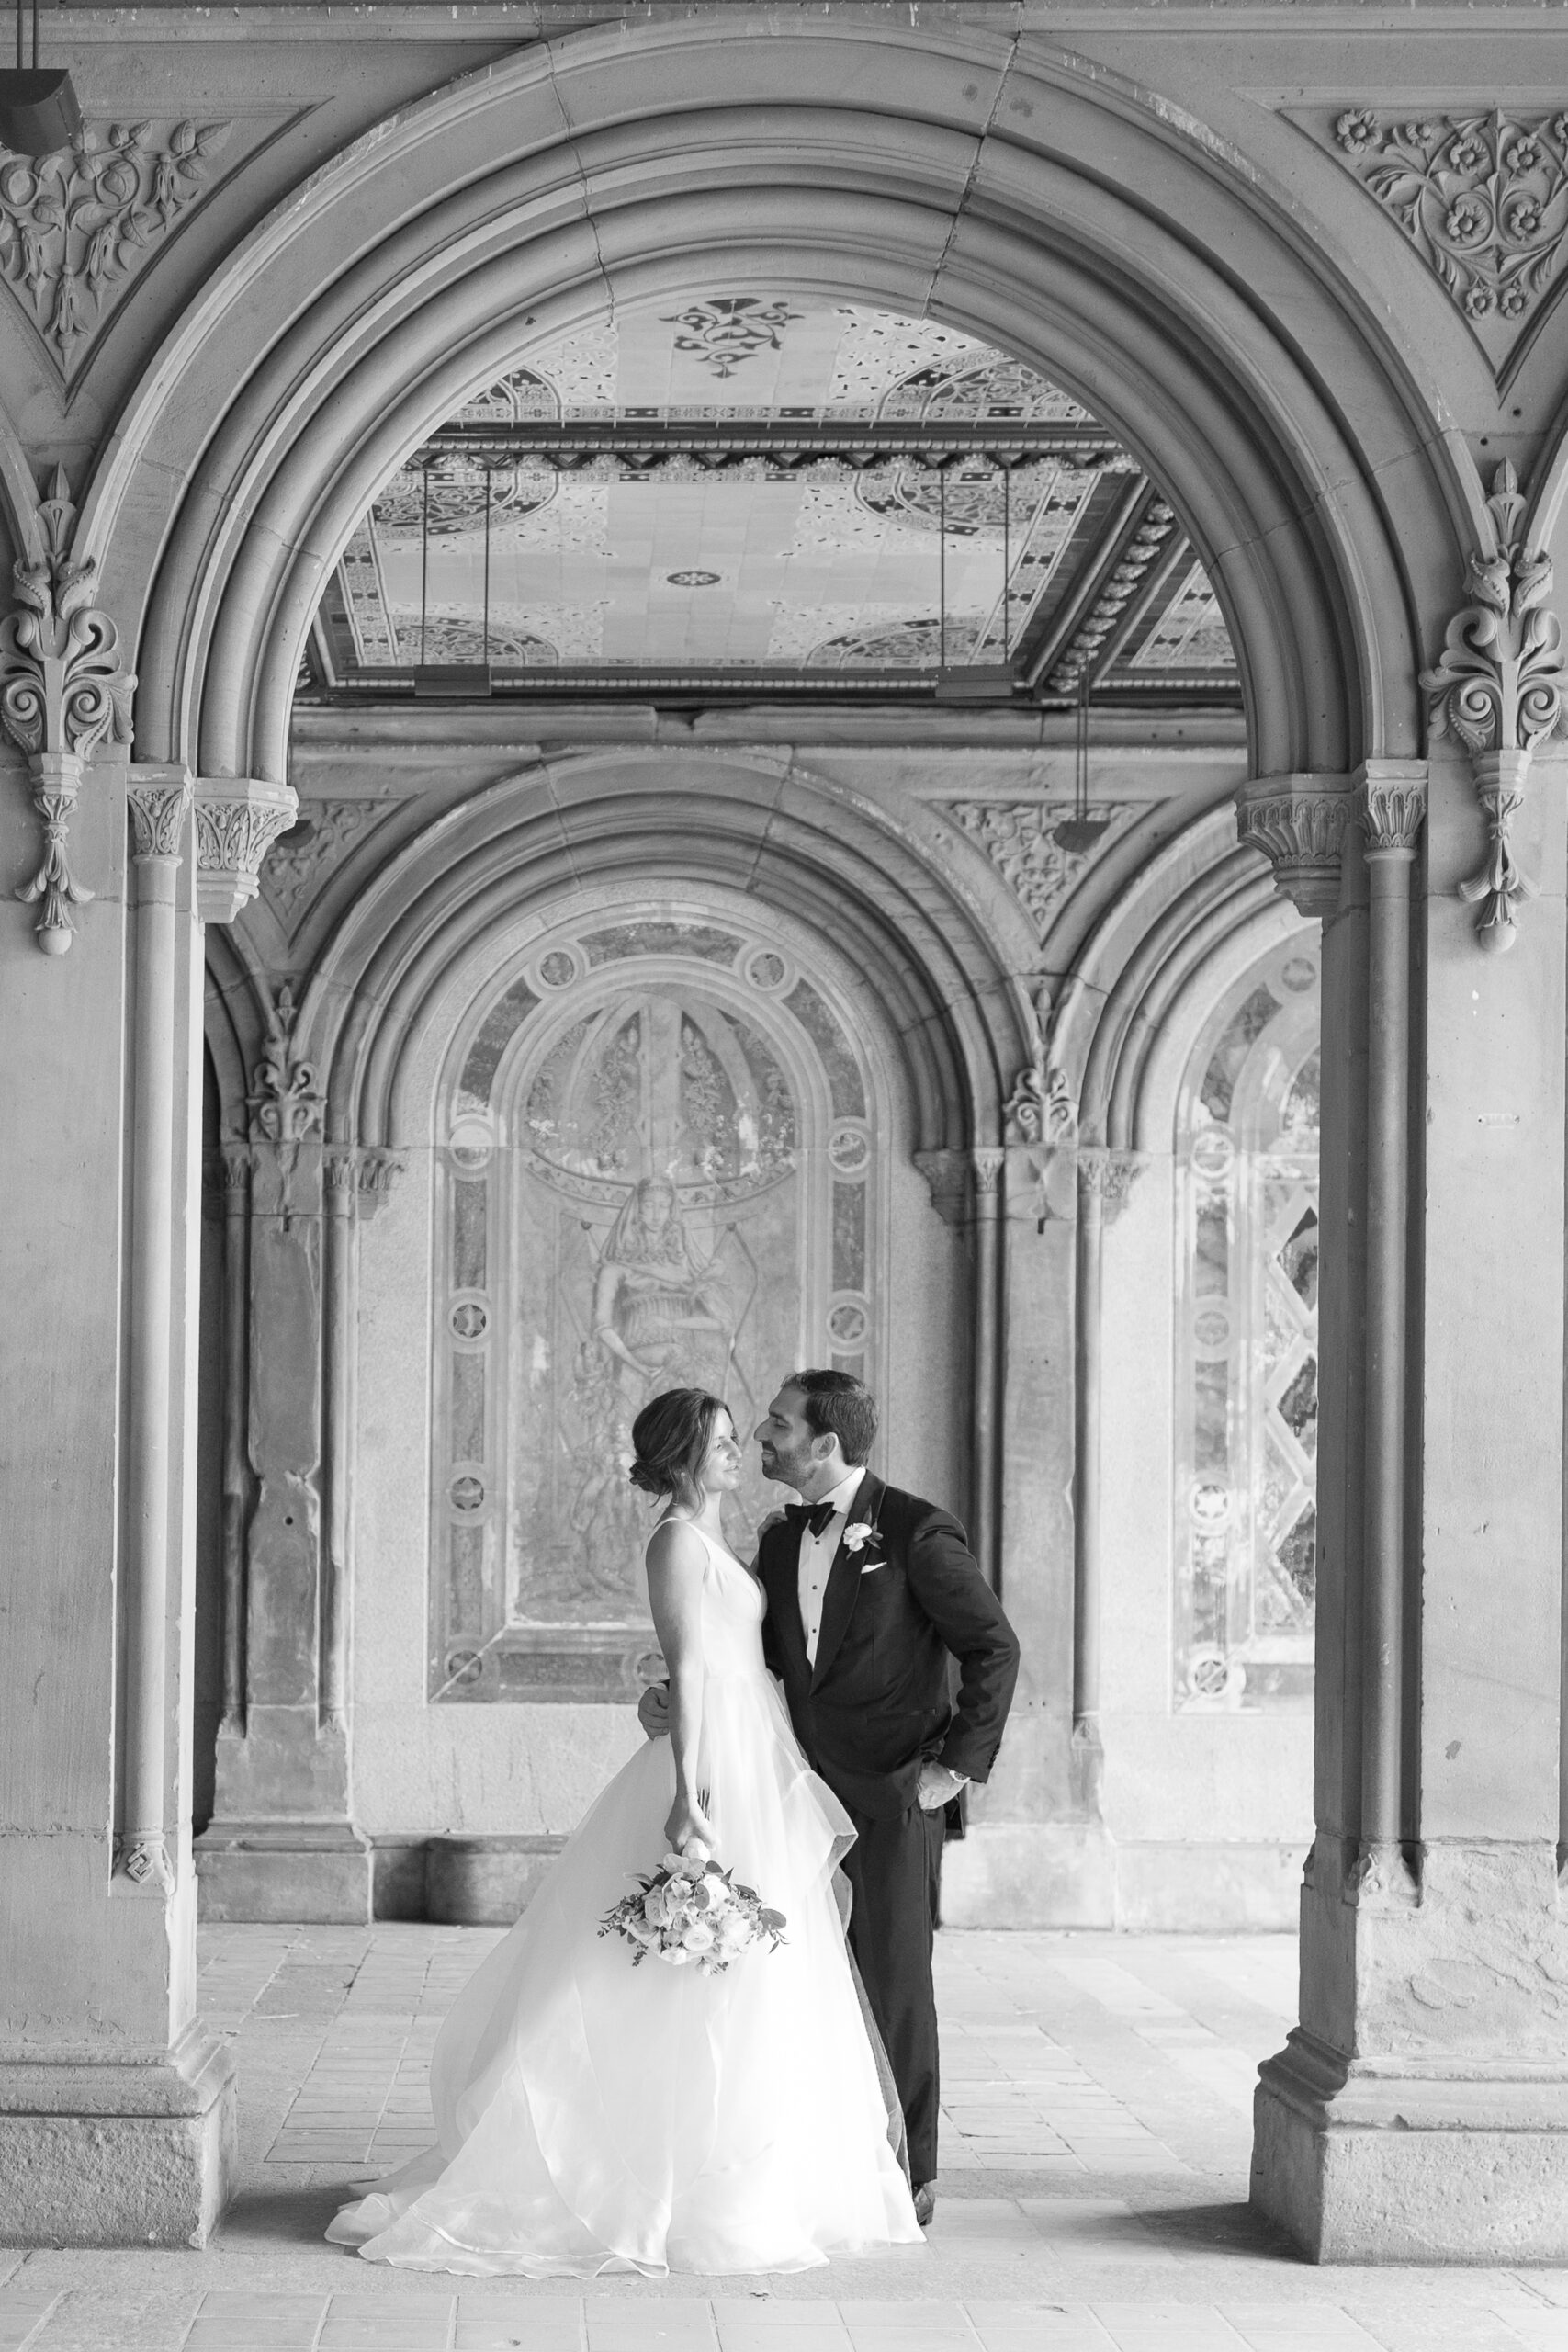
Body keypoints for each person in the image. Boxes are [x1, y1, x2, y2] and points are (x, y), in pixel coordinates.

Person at [326, 1387, 922, 2277]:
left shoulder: (725, 1538)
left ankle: (748, 2163)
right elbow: (685, 1664)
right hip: (713, 1761)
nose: (738, 1450)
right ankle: (650, 2165)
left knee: (762, 1967)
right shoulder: (677, 1540)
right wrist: (688, 1791)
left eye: (740, 1438)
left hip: (753, 1751)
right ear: (685, 1455)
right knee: (680, 1967)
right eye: (723, 1441)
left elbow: (731, 1658)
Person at [640, 1368, 1021, 2226]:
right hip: (785, 1794)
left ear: (825, 1444)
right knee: (789, 1981)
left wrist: (951, 1769)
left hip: (892, 1798)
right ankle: (804, 2151)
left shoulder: (916, 1529)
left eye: (776, 1424)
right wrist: (668, 1703)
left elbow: (994, 1647)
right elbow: (756, 1663)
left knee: (893, 1978)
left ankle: (909, 2171)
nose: (762, 1437)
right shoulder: (777, 1540)